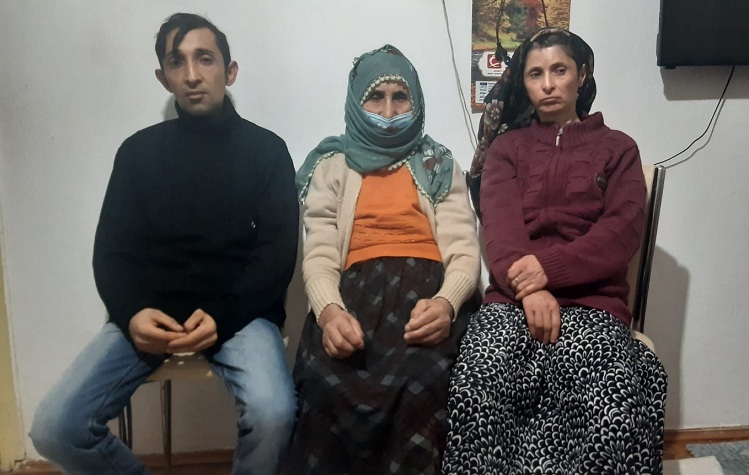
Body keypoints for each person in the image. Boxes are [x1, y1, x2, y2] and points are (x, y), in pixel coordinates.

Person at [29, 13, 298, 475]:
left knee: (274, 413)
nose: (192, 75)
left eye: (205, 59)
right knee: (55, 427)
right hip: (150, 314)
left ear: (230, 71)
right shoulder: (137, 152)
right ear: (163, 77)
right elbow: (112, 252)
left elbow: (276, 255)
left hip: (238, 314)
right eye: (177, 62)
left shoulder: (267, 150)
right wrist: (132, 312)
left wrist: (223, 315)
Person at [442, 28, 667, 474]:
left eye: (559, 70)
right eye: (535, 74)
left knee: (612, 405)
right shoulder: (506, 149)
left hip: (593, 302)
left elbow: (622, 233)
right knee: (475, 386)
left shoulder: (619, 149)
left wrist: (548, 270)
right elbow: (500, 231)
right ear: (523, 83)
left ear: (581, 75)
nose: (547, 84)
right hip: (512, 300)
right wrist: (530, 290)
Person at [286, 44, 481, 474]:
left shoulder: (438, 164)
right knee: (321, 385)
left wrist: (447, 304)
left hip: (427, 299)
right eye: (376, 97)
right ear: (356, 102)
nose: (389, 111)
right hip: (352, 299)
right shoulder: (330, 166)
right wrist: (329, 312)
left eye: (400, 97)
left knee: (424, 383)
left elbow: (464, 249)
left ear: (416, 100)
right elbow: (319, 253)